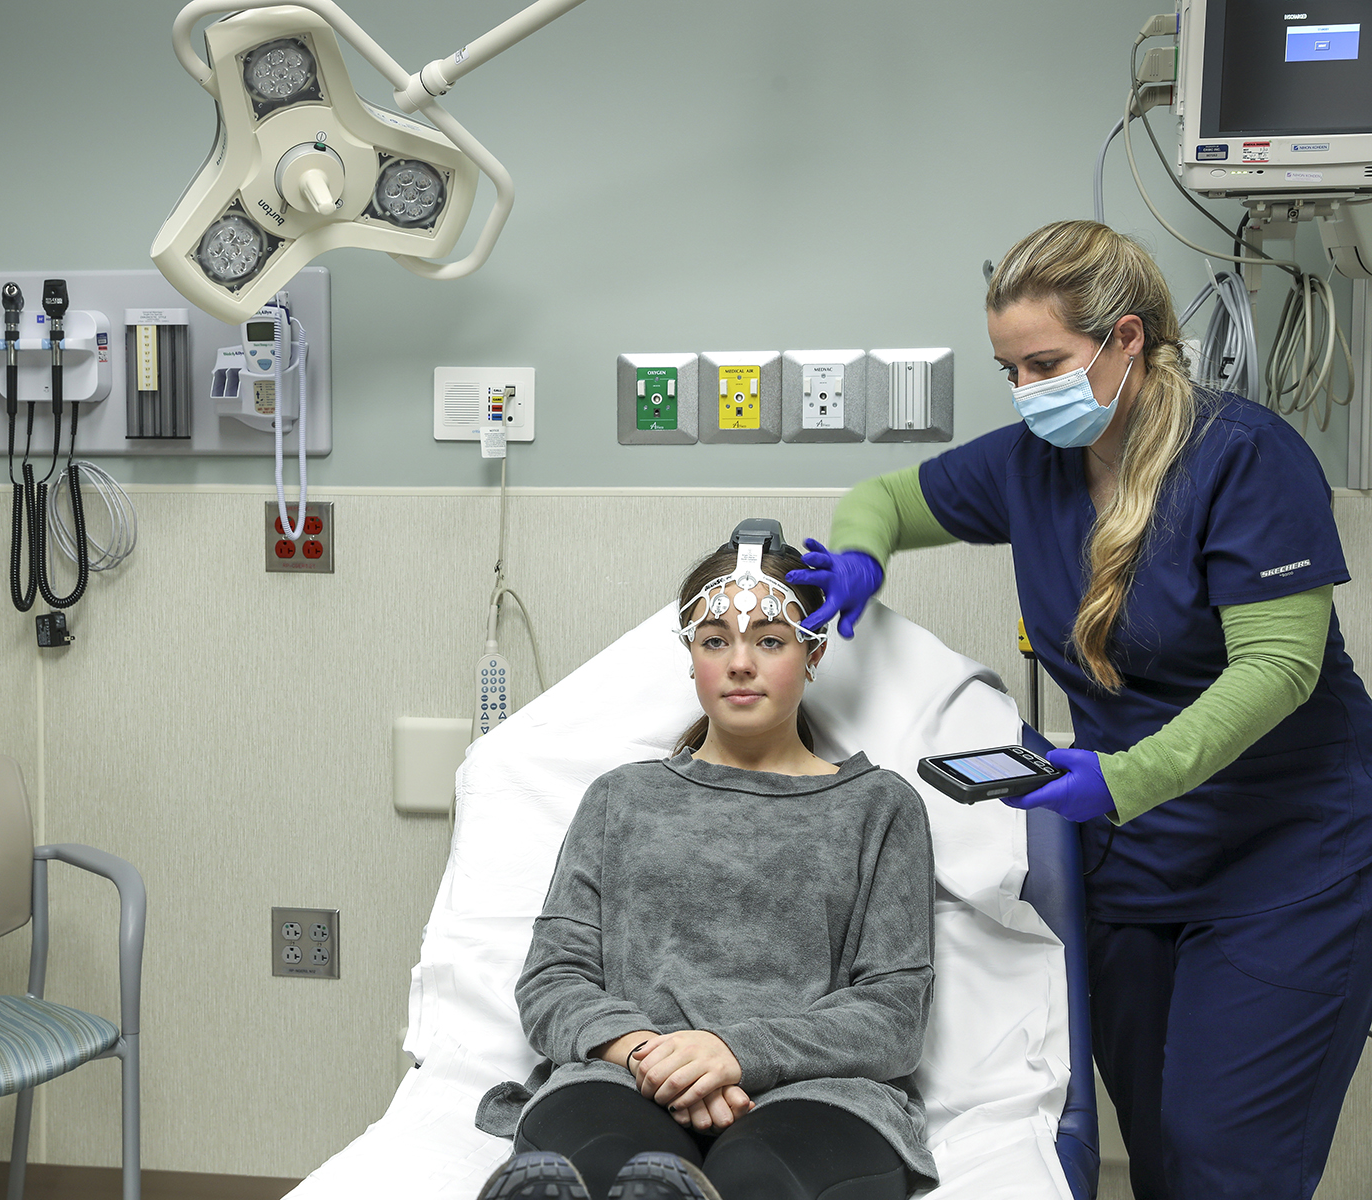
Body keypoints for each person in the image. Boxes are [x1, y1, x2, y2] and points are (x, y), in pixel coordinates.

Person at [793, 219, 1372, 1200]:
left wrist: (1127, 778)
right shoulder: (1031, 463)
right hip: (1134, 853)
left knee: (1223, 1158)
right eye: (1008, 369)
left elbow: (1279, 668)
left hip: (1291, 850)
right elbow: (886, 497)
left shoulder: (1245, 458)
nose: (1026, 392)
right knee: (1150, 1146)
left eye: (1046, 363)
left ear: (1128, 340)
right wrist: (859, 556)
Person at [472, 535, 938, 1200]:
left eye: (771, 641)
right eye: (715, 640)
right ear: (690, 654)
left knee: (757, 1182)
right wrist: (650, 1054)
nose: (740, 663)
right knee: (593, 1169)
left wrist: (732, 1052)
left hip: (817, 1092)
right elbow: (553, 979)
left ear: (815, 654)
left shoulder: (879, 808)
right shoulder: (621, 800)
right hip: (627, 1078)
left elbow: (893, 1012)